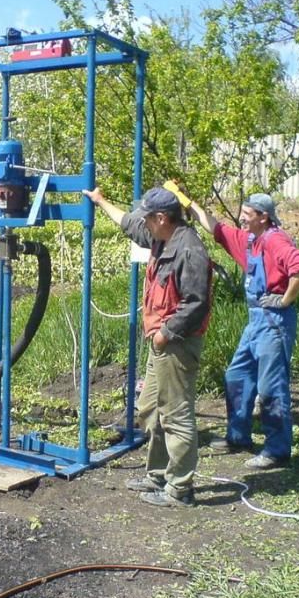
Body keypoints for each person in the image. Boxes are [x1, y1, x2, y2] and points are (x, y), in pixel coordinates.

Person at [83, 186, 212, 507]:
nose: (145, 224)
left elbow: (196, 303)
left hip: (177, 344)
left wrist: (165, 333)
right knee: (151, 409)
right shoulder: (160, 237)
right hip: (161, 342)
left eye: (148, 218)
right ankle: (157, 474)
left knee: (176, 415)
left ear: (161, 217)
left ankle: (180, 490)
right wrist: (100, 201)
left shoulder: (189, 250)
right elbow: (128, 223)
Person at [187, 193, 299, 469]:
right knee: (237, 374)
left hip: (275, 321)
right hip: (255, 320)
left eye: (247, 213)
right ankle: (238, 436)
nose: (242, 217)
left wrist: (285, 299)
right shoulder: (250, 240)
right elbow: (217, 228)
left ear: (263, 216)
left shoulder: (275, 240)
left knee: (270, 386)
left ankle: (277, 450)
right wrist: (189, 204)